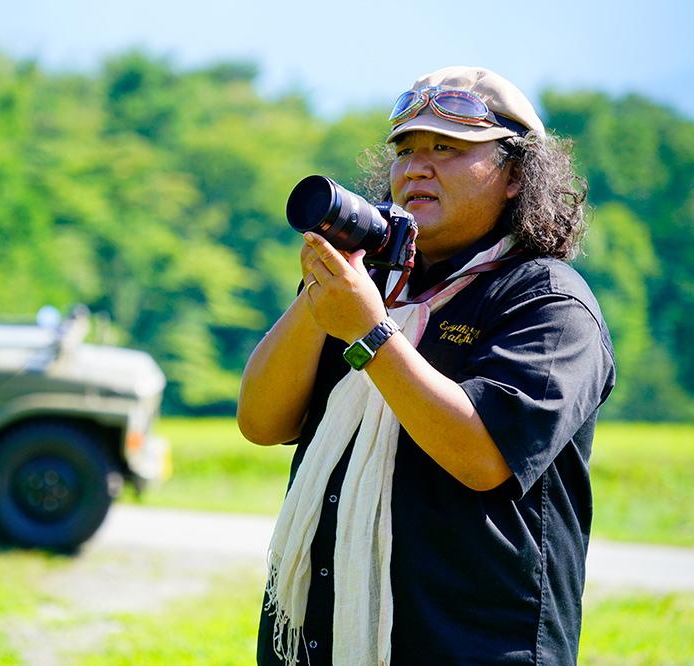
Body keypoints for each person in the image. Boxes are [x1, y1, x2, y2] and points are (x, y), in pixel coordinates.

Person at [238, 66, 616, 666]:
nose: (417, 166)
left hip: (472, 647)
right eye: (406, 149)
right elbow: (261, 421)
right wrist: (322, 295)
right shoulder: (369, 289)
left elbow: (483, 456)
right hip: (322, 644)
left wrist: (367, 329)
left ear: (516, 174)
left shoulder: (547, 301)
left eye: (448, 148)